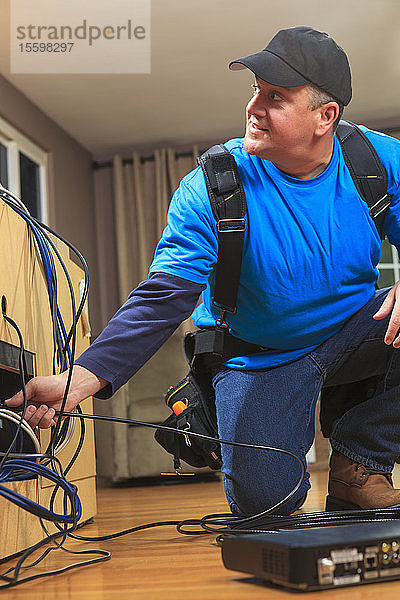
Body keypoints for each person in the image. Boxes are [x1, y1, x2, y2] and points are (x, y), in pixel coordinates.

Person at [6, 26, 400, 515]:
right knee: (265, 506)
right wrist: (81, 378)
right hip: (260, 355)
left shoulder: (376, 160)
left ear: (325, 116)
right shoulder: (214, 183)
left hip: (353, 331)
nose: (254, 108)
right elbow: (166, 292)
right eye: (255, 90)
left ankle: (358, 467)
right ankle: (221, 409)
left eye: (275, 96)